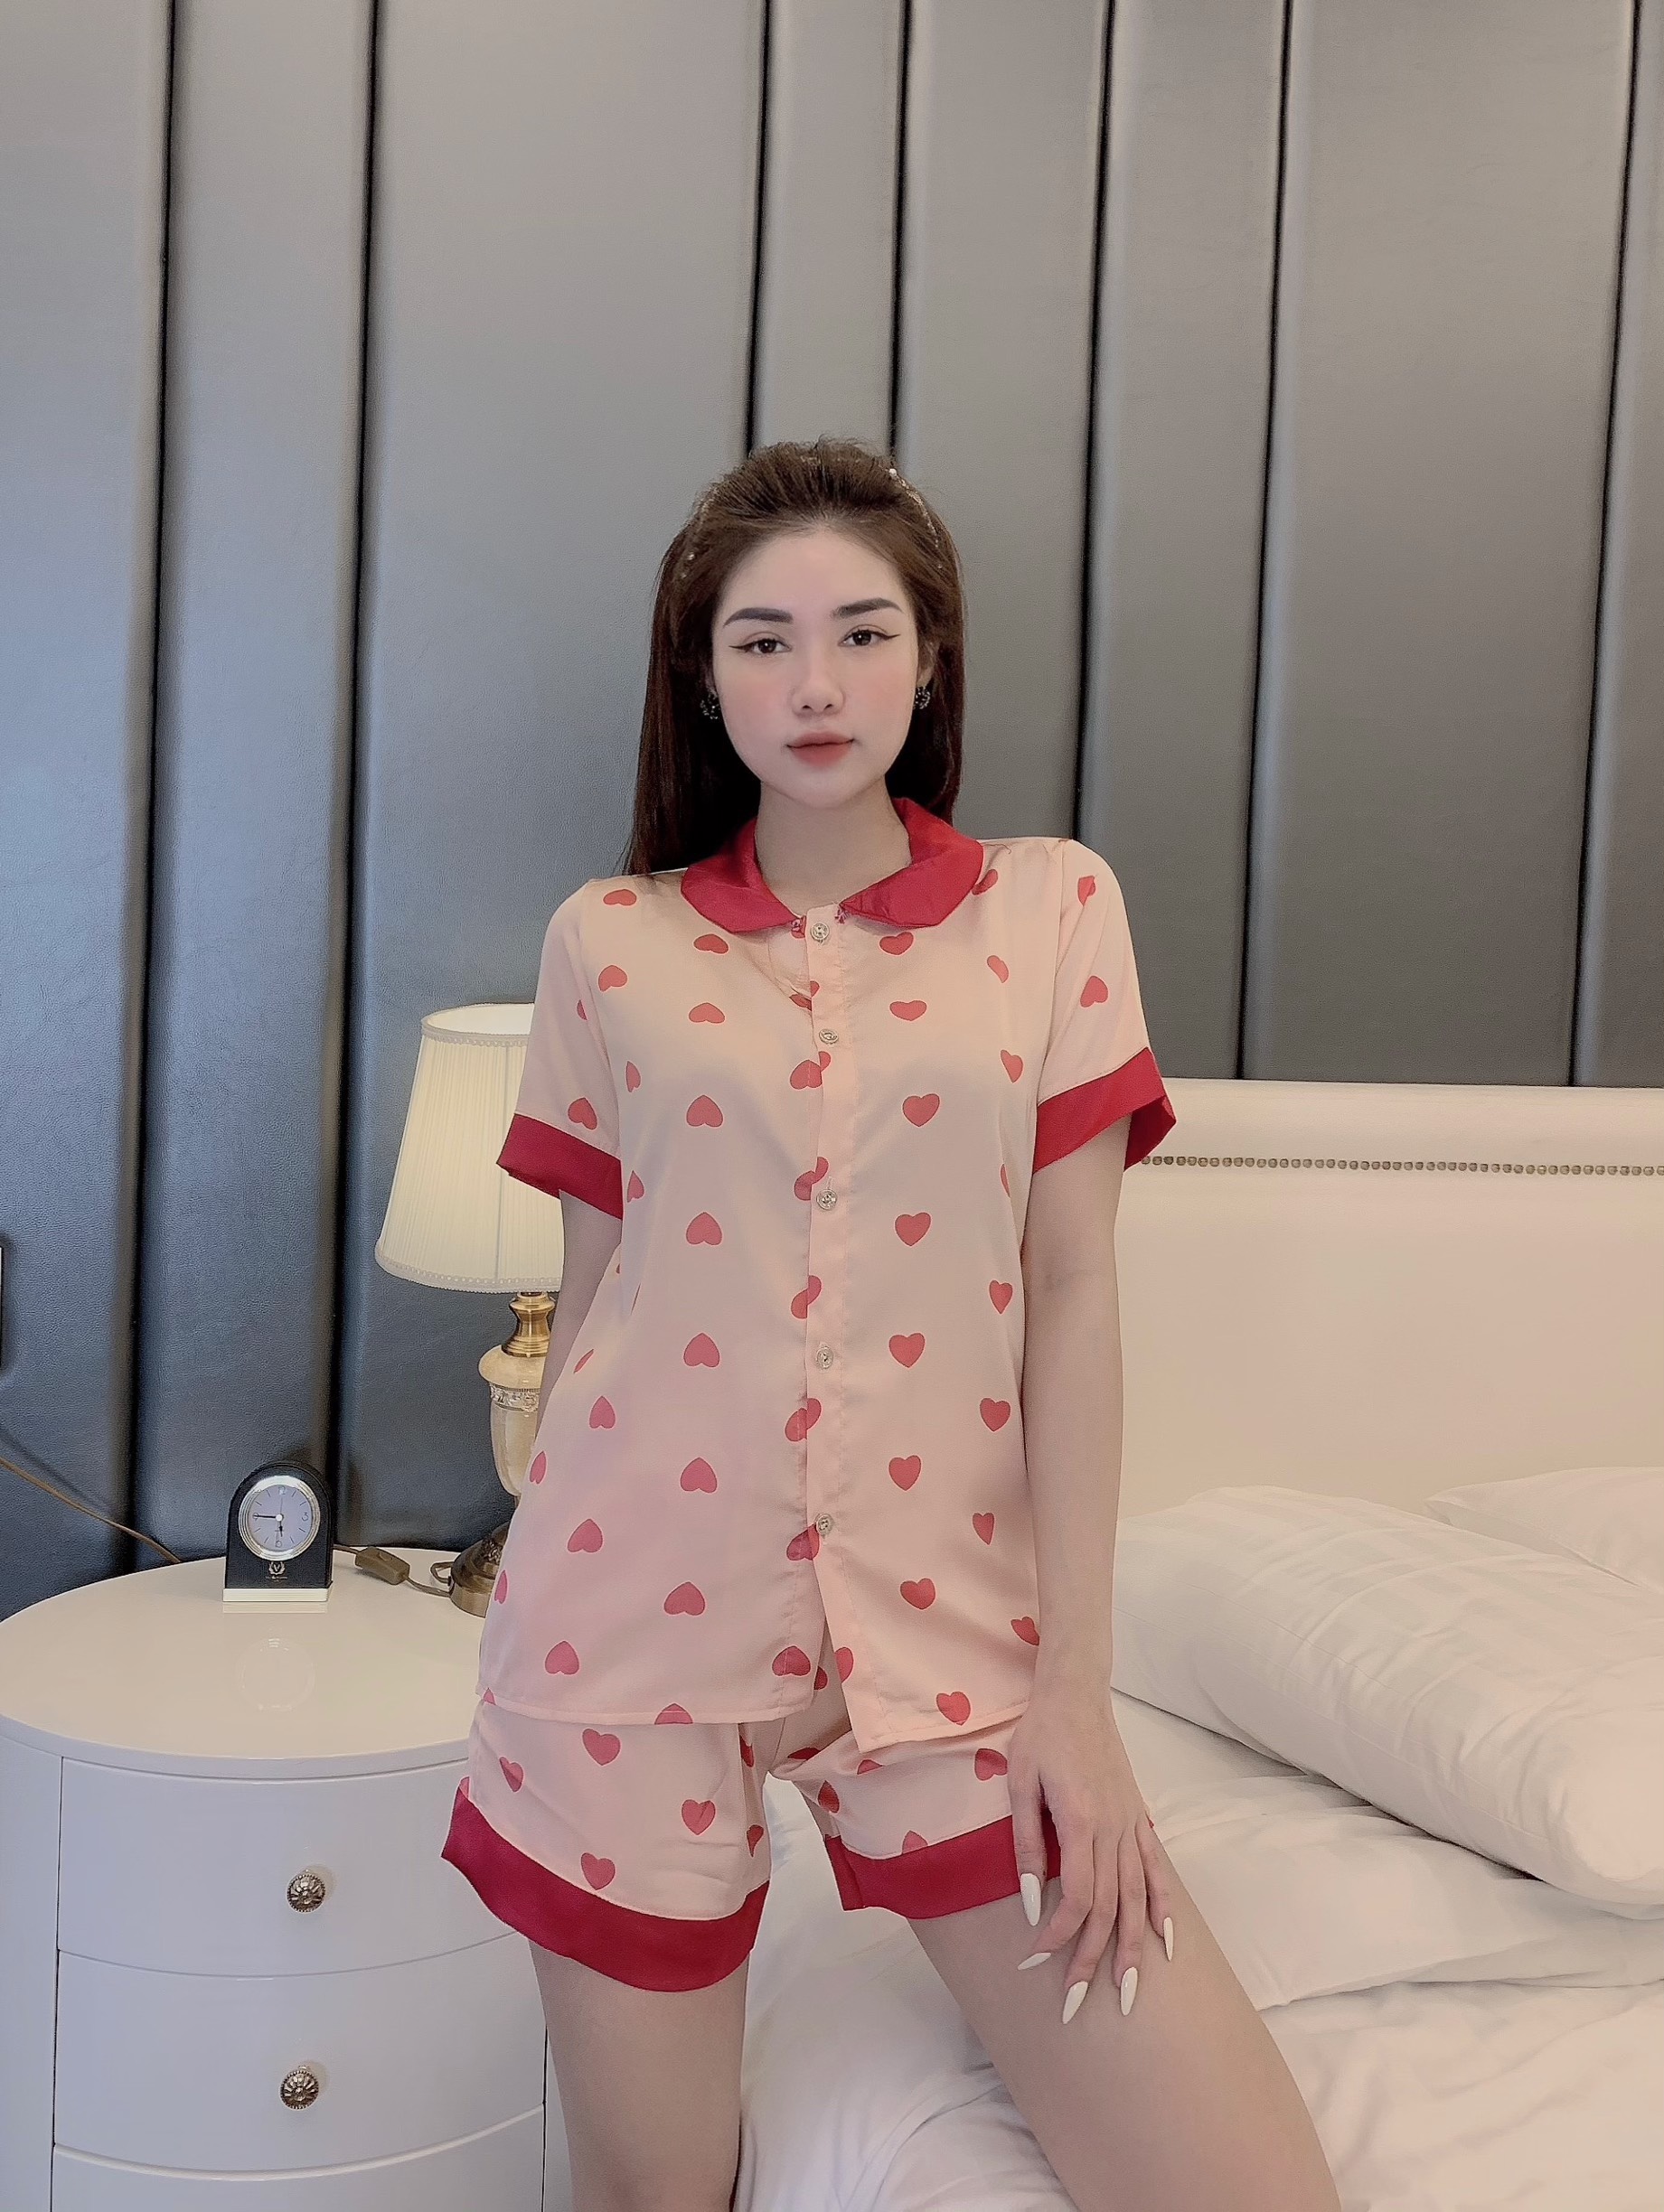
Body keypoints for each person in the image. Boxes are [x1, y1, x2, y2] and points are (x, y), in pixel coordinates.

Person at [441, 438, 1341, 2212]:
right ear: (704, 677)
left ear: (929, 662)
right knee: (656, 2194)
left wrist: (1074, 1695)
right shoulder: (606, 944)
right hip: (623, 1640)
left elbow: (1072, 1291)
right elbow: (600, 1291)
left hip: (953, 1644)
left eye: (862, 633)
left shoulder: (1051, 910)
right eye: (763, 641)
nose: (816, 683)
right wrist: (538, 1541)